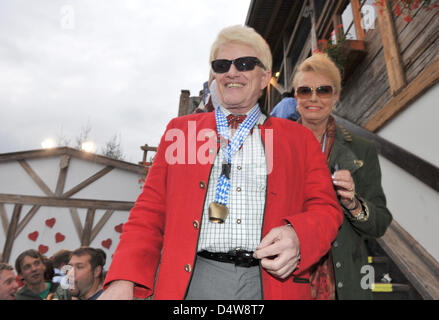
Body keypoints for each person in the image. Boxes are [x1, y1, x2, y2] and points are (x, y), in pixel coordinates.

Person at [100, 25, 342, 300]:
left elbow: (326, 208)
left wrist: (299, 235)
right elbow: (148, 212)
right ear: (215, 76)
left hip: (272, 283)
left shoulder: (300, 139)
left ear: (264, 78)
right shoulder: (181, 132)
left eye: (245, 63)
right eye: (222, 64)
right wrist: (123, 279)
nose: (232, 71)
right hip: (192, 281)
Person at [292, 53, 392, 299]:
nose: (313, 98)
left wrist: (353, 204)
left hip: (346, 282)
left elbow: (380, 221)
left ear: (336, 96)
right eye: (305, 90)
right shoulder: (275, 146)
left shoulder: (362, 149)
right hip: (290, 278)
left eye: (323, 90)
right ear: (296, 97)